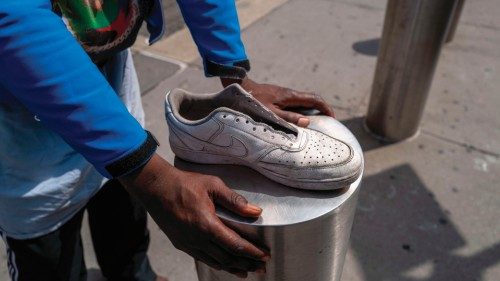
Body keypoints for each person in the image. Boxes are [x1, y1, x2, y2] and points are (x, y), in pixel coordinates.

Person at [0, 0, 334, 280]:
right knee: (48, 260)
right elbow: (13, 16)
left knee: (124, 226)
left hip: (109, 97)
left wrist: (235, 75)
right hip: (22, 148)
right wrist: (147, 174)